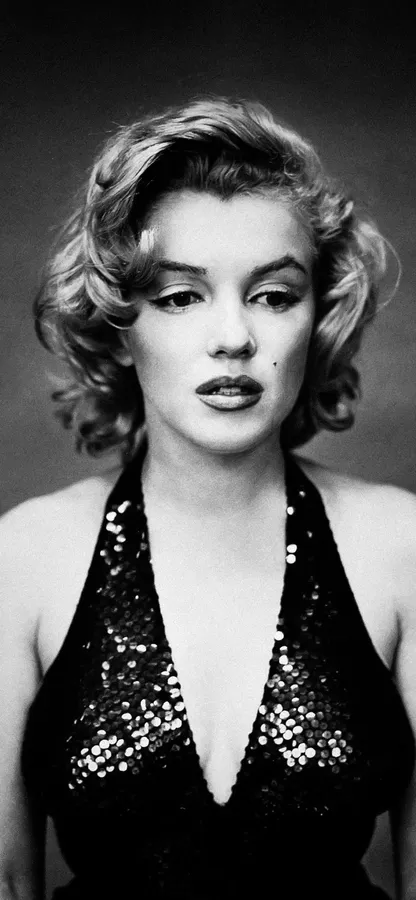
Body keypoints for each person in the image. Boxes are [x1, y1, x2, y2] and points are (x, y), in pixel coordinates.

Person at [0, 96, 415, 900]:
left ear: (317, 318)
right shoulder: (23, 560)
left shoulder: (402, 549)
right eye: (180, 296)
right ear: (120, 324)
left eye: (274, 295)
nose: (233, 337)